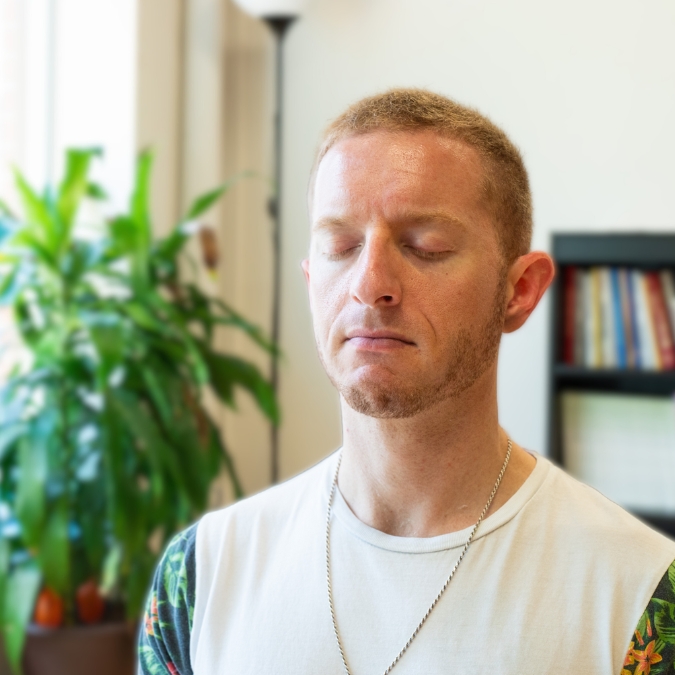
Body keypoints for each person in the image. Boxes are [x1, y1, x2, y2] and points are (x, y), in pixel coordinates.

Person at [138, 89, 675, 675]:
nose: (369, 284)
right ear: (311, 278)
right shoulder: (201, 577)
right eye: (341, 246)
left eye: (426, 246)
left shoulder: (641, 598)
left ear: (519, 291)